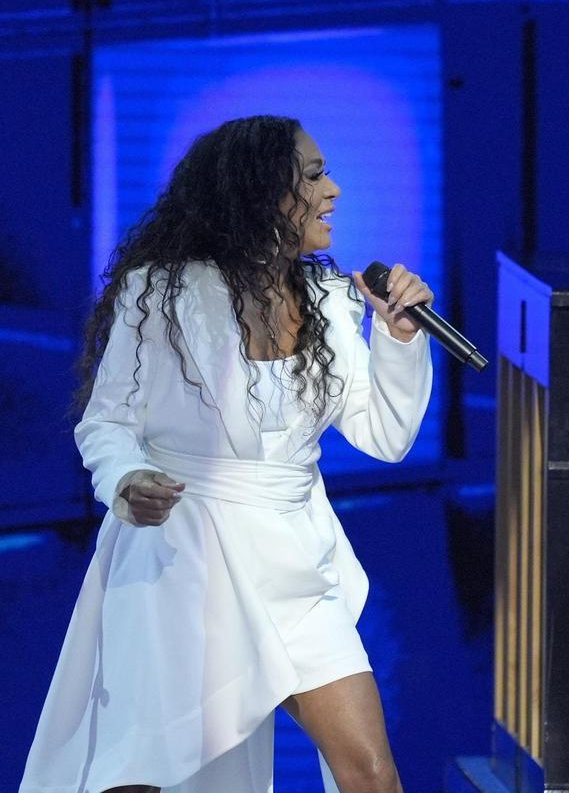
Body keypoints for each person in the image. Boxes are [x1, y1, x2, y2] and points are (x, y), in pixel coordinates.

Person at [21, 115, 434, 793]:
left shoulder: (332, 300)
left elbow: (386, 438)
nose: (333, 190)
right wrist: (127, 480)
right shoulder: (161, 294)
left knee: (372, 775)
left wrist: (399, 339)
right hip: (182, 557)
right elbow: (107, 424)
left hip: (294, 563)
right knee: (146, 775)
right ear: (263, 193)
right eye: (313, 175)